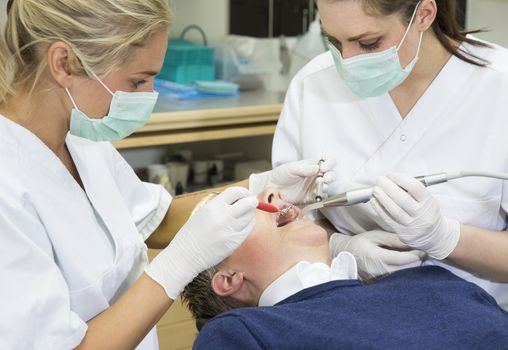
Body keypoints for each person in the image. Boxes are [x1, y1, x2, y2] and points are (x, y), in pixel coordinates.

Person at [0, 1, 336, 349]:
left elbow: (153, 220)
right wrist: (177, 265)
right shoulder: (7, 189)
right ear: (63, 63)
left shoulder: (80, 135)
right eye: (137, 80)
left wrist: (259, 186)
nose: (150, 96)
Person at [272, 0, 508, 308]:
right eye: (332, 41)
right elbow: (281, 224)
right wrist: (340, 246)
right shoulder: (312, 85)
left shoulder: (498, 86)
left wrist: (446, 238)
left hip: (472, 325)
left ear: (423, 14)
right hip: (336, 314)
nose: (347, 61)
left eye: (369, 43)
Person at [181, 188, 508, 349]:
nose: (272, 195)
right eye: (239, 210)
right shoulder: (240, 332)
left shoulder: (431, 278)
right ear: (229, 279)